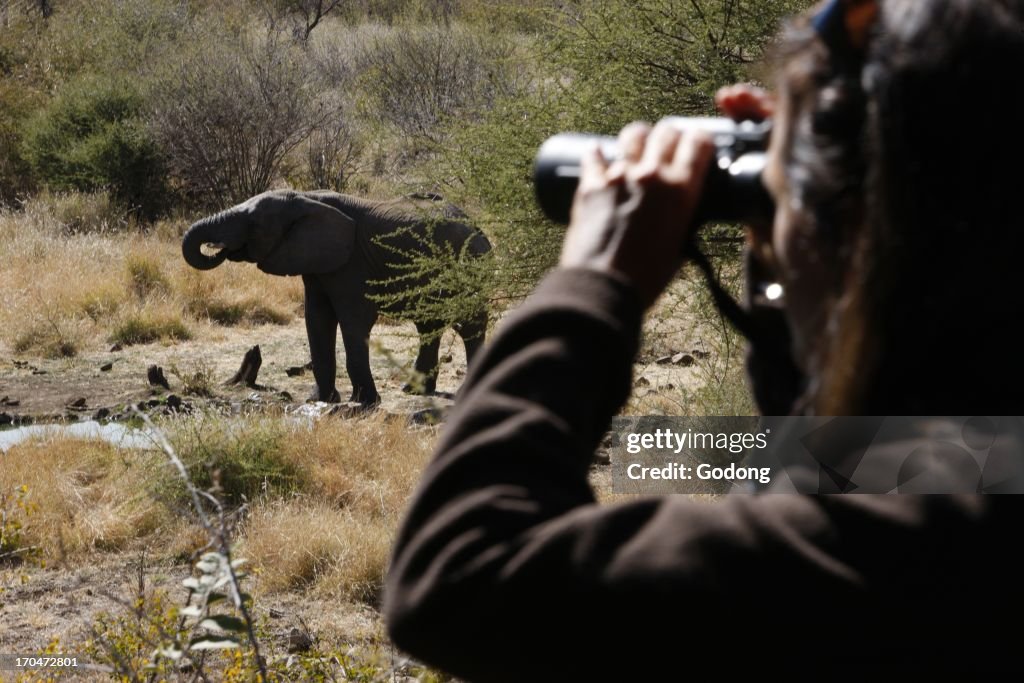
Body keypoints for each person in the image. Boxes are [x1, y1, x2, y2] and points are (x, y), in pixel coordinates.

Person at [385, 0, 1024, 678]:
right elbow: (846, 459)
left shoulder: (904, 550)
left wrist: (595, 281)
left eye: (778, 204)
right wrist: (783, 246)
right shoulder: (978, 471)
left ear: (858, 235)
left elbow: (462, 573)